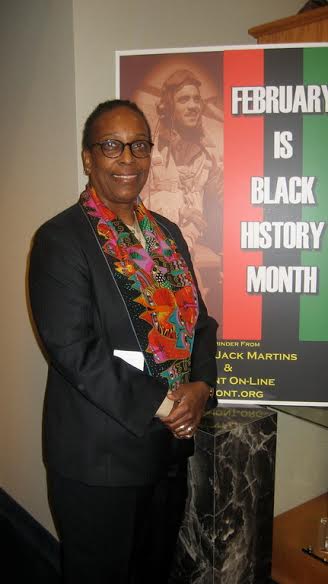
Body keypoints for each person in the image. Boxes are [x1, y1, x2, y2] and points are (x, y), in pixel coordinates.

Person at [28, 99, 217, 584]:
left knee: (153, 571)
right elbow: (74, 349)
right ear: (88, 158)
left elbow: (200, 325)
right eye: (111, 146)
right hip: (100, 460)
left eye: (139, 146)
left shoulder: (169, 235)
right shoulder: (61, 239)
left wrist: (201, 387)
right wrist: (166, 404)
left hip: (168, 451)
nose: (127, 159)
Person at [143, 69, 223, 321]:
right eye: (184, 99)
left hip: (191, 244)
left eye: (196, 99)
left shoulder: (206, 153)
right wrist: (179, 210)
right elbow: (133, 205)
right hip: (155, 247)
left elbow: (223, 196)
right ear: (169, 106)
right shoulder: (150, 150)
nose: (193, 106)